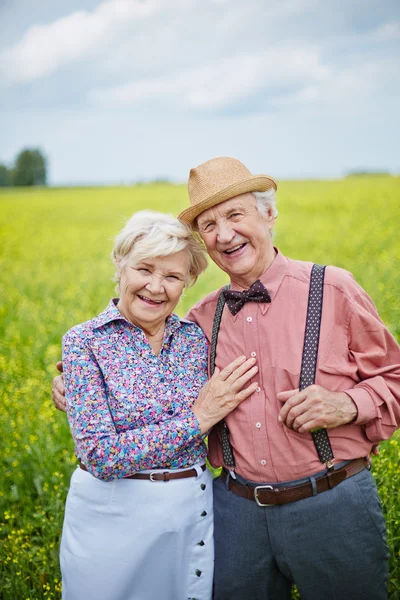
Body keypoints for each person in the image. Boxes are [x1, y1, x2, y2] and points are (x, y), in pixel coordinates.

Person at [53, 158, 400, 600]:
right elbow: (133, 372)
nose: (225, 233)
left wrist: (347, 405)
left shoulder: (333, 289)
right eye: (210, 224)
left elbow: (394, 375)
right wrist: (73, 385)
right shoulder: (199, 322)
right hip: (235, 517)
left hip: (331, 503)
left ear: (269, 215)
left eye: (236, 215)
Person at [58, 209, 258, 600]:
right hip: (110, 523)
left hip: (191, 517)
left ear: (189, 282)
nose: (155, 287)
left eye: (172, 276)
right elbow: (100, 455)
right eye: (144, 269)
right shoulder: (84, 342)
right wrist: (196, 420)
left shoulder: (195, 339)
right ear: (120, 266)